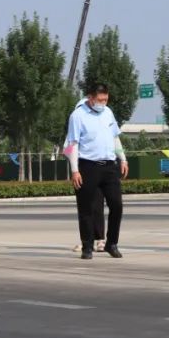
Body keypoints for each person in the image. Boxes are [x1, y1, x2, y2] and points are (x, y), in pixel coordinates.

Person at [65, 83, 128, 259]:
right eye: (100, 100)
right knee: (86, 208)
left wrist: (123, 159)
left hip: (109, 166)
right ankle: (87, 245)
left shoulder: (108, 113)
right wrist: (75, 170)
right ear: (90, 98)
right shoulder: (77, 116)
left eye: (106, 100)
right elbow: (72, 144)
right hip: (87, 166)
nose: (103, 103)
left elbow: (115, 137)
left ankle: (111, 243)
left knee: (117, 205)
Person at [68, 96, 105, 253]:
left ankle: (100, 240)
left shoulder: (99, 121)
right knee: (86, 207)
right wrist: (74, 169)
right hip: (82, 168)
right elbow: (69, 148)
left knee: (97, 204)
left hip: (97, 167)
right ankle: (87, 241)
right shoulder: (76, 123)